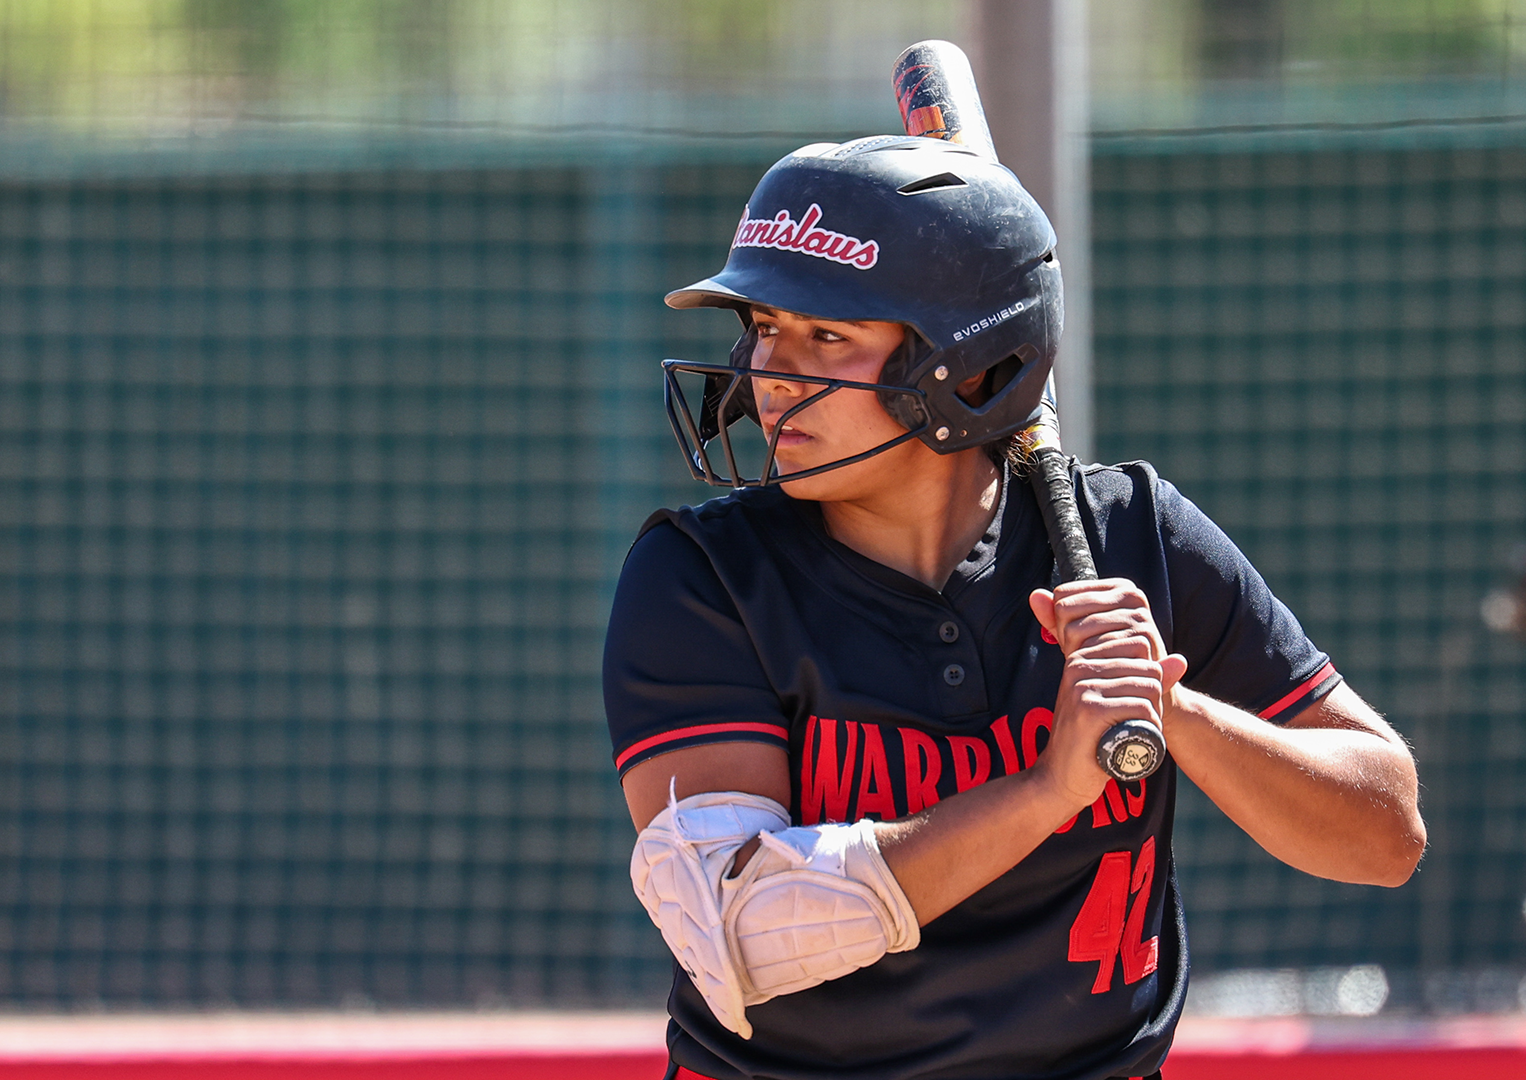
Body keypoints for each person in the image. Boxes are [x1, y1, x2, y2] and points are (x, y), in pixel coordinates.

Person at [602, 134, 1425, 1080]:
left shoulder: (1133, 538)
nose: (770, 372)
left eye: (827, 335)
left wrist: (1173, 709)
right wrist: (1043, 793)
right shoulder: (703, 576)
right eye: (763, 324)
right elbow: (742, 932)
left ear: (974, 368)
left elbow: (1385, 834)